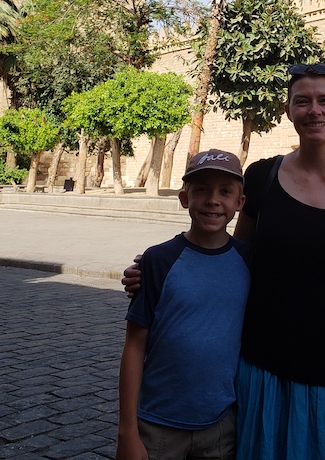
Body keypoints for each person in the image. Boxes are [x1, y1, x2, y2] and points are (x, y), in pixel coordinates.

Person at [124, 63, 325, 460]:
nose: (315, 110)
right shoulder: (261, 179)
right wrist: (153, 270)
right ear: (288, 110)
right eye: (303, 101)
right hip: (269, 381)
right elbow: (229, 259)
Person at [116, 149, 252, 460]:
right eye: (202, 189)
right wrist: (127, 431)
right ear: (184, 198)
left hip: (221, 426)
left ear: (239, 204)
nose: (213, 200)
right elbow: (135, 346)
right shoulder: (158, 260)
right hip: (157, 425)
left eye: (225, 191)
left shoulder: (249, 261)